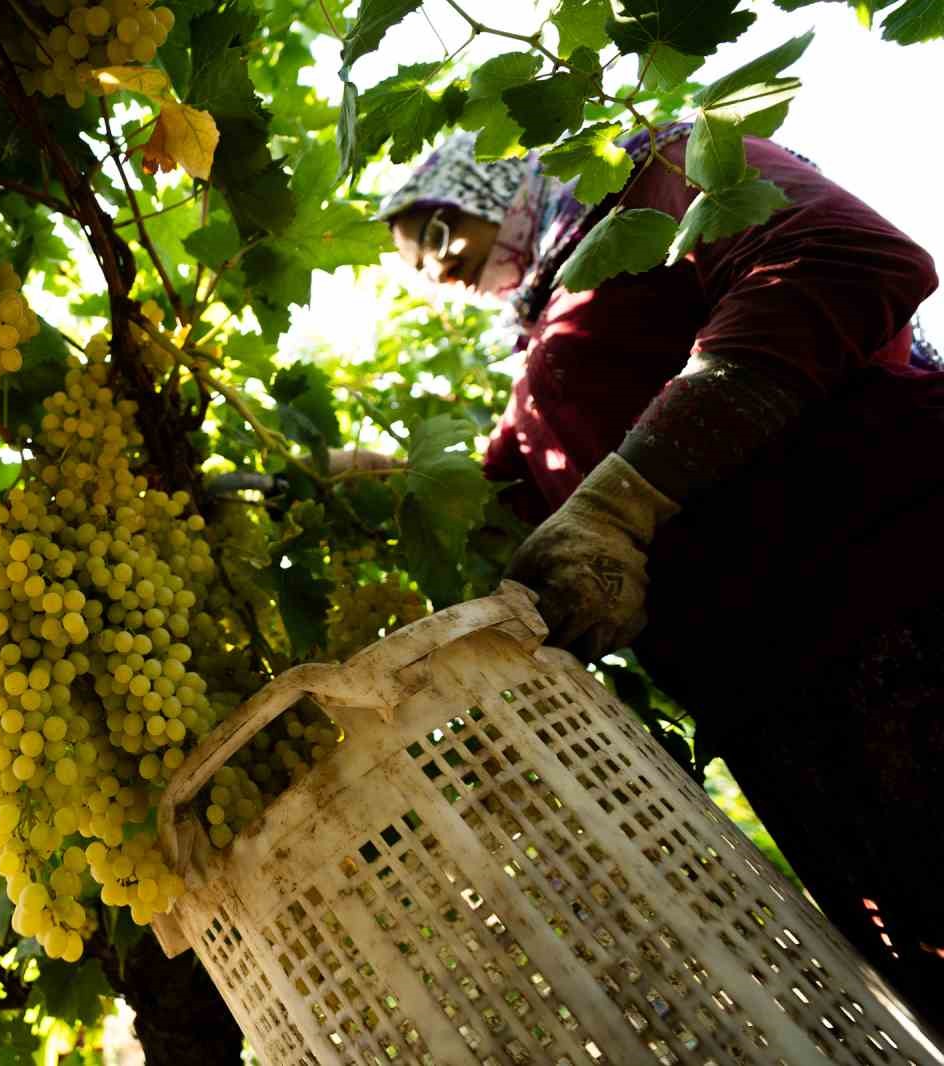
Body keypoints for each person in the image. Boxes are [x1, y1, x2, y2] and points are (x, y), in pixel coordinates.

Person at [377, 128, 944, 1026]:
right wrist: (344, 478)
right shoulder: (544, 342)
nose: (435, 272)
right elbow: (503, 497)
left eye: (438, 235)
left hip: (906, 602)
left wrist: (626, 503)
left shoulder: (661, 171)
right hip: (789, 723)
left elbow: (846, 257)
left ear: (488, 185)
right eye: (414, 265)